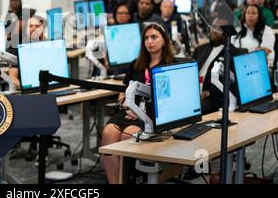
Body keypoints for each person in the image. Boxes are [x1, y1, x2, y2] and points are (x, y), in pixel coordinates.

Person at [101, 22, 176, 184]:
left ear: (164, 41)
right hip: (129, 111)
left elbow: (170, 99)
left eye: (154, 37)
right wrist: (126, 105)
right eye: (146, 38)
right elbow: (123, 92)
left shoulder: (171, 65)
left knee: (128, 134)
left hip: (152, 116)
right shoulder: (135, 64)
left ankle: (130, 179)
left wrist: (140, 111)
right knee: (108, 132)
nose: (150, 41)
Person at [193, 18, 247, 114]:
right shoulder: (200, 49)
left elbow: (233, 85)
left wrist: (207, 93)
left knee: (191, 111)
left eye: (219, 28)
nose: (214, 30)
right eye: (213, 26)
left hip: (214, 98)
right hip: (194, 92)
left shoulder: (234, 53)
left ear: (228, 31)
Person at [8, 15, 45, 89]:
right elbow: (13, 77)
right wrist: (24, 90)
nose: (33, 29)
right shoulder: (18, 48)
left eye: (37, 26)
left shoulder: (51, 46)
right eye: (30, 26)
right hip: (28, 89)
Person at [232, 4, 275, 69]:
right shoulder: (238, 30)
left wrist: (243, 55)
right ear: (244, 15)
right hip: (239, 66)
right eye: (248, 13)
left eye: (254, 13)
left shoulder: (267, 30)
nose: (250, 16)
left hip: (261, 67)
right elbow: (231, 49)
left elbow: (264, 52)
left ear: (259, 16)